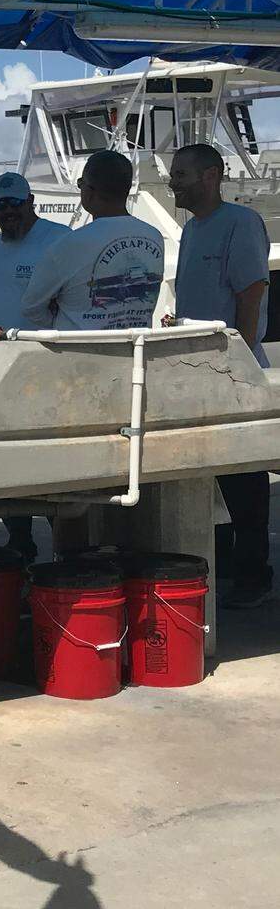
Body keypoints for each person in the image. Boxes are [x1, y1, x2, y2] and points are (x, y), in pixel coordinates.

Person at [168, 142, 273, 608]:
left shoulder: (241, 223)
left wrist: (242, 357)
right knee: (212, 475)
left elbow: (251, 292)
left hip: (233, 369)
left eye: (182, 173)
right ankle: (228, 564)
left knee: (245, 478)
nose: (174, 181)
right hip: (197, 371)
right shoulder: (191, 230)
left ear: (211, 176)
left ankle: (255, 575)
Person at [0, 170, 70, 561]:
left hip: (49, 376)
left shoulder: (60, 240)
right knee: (8, 467)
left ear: (31, 202)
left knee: (52, 470)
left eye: (14, 203)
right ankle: (20, 541)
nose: (7, 212)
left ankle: (65, 548)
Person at [21, 150, 164, 332]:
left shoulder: (68, 245)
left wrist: (59, 325)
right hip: (134, 352)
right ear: (127, 189)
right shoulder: (154, 236)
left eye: (81, 184)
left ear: (88, 191)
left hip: (82, 354)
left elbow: (31, 307)